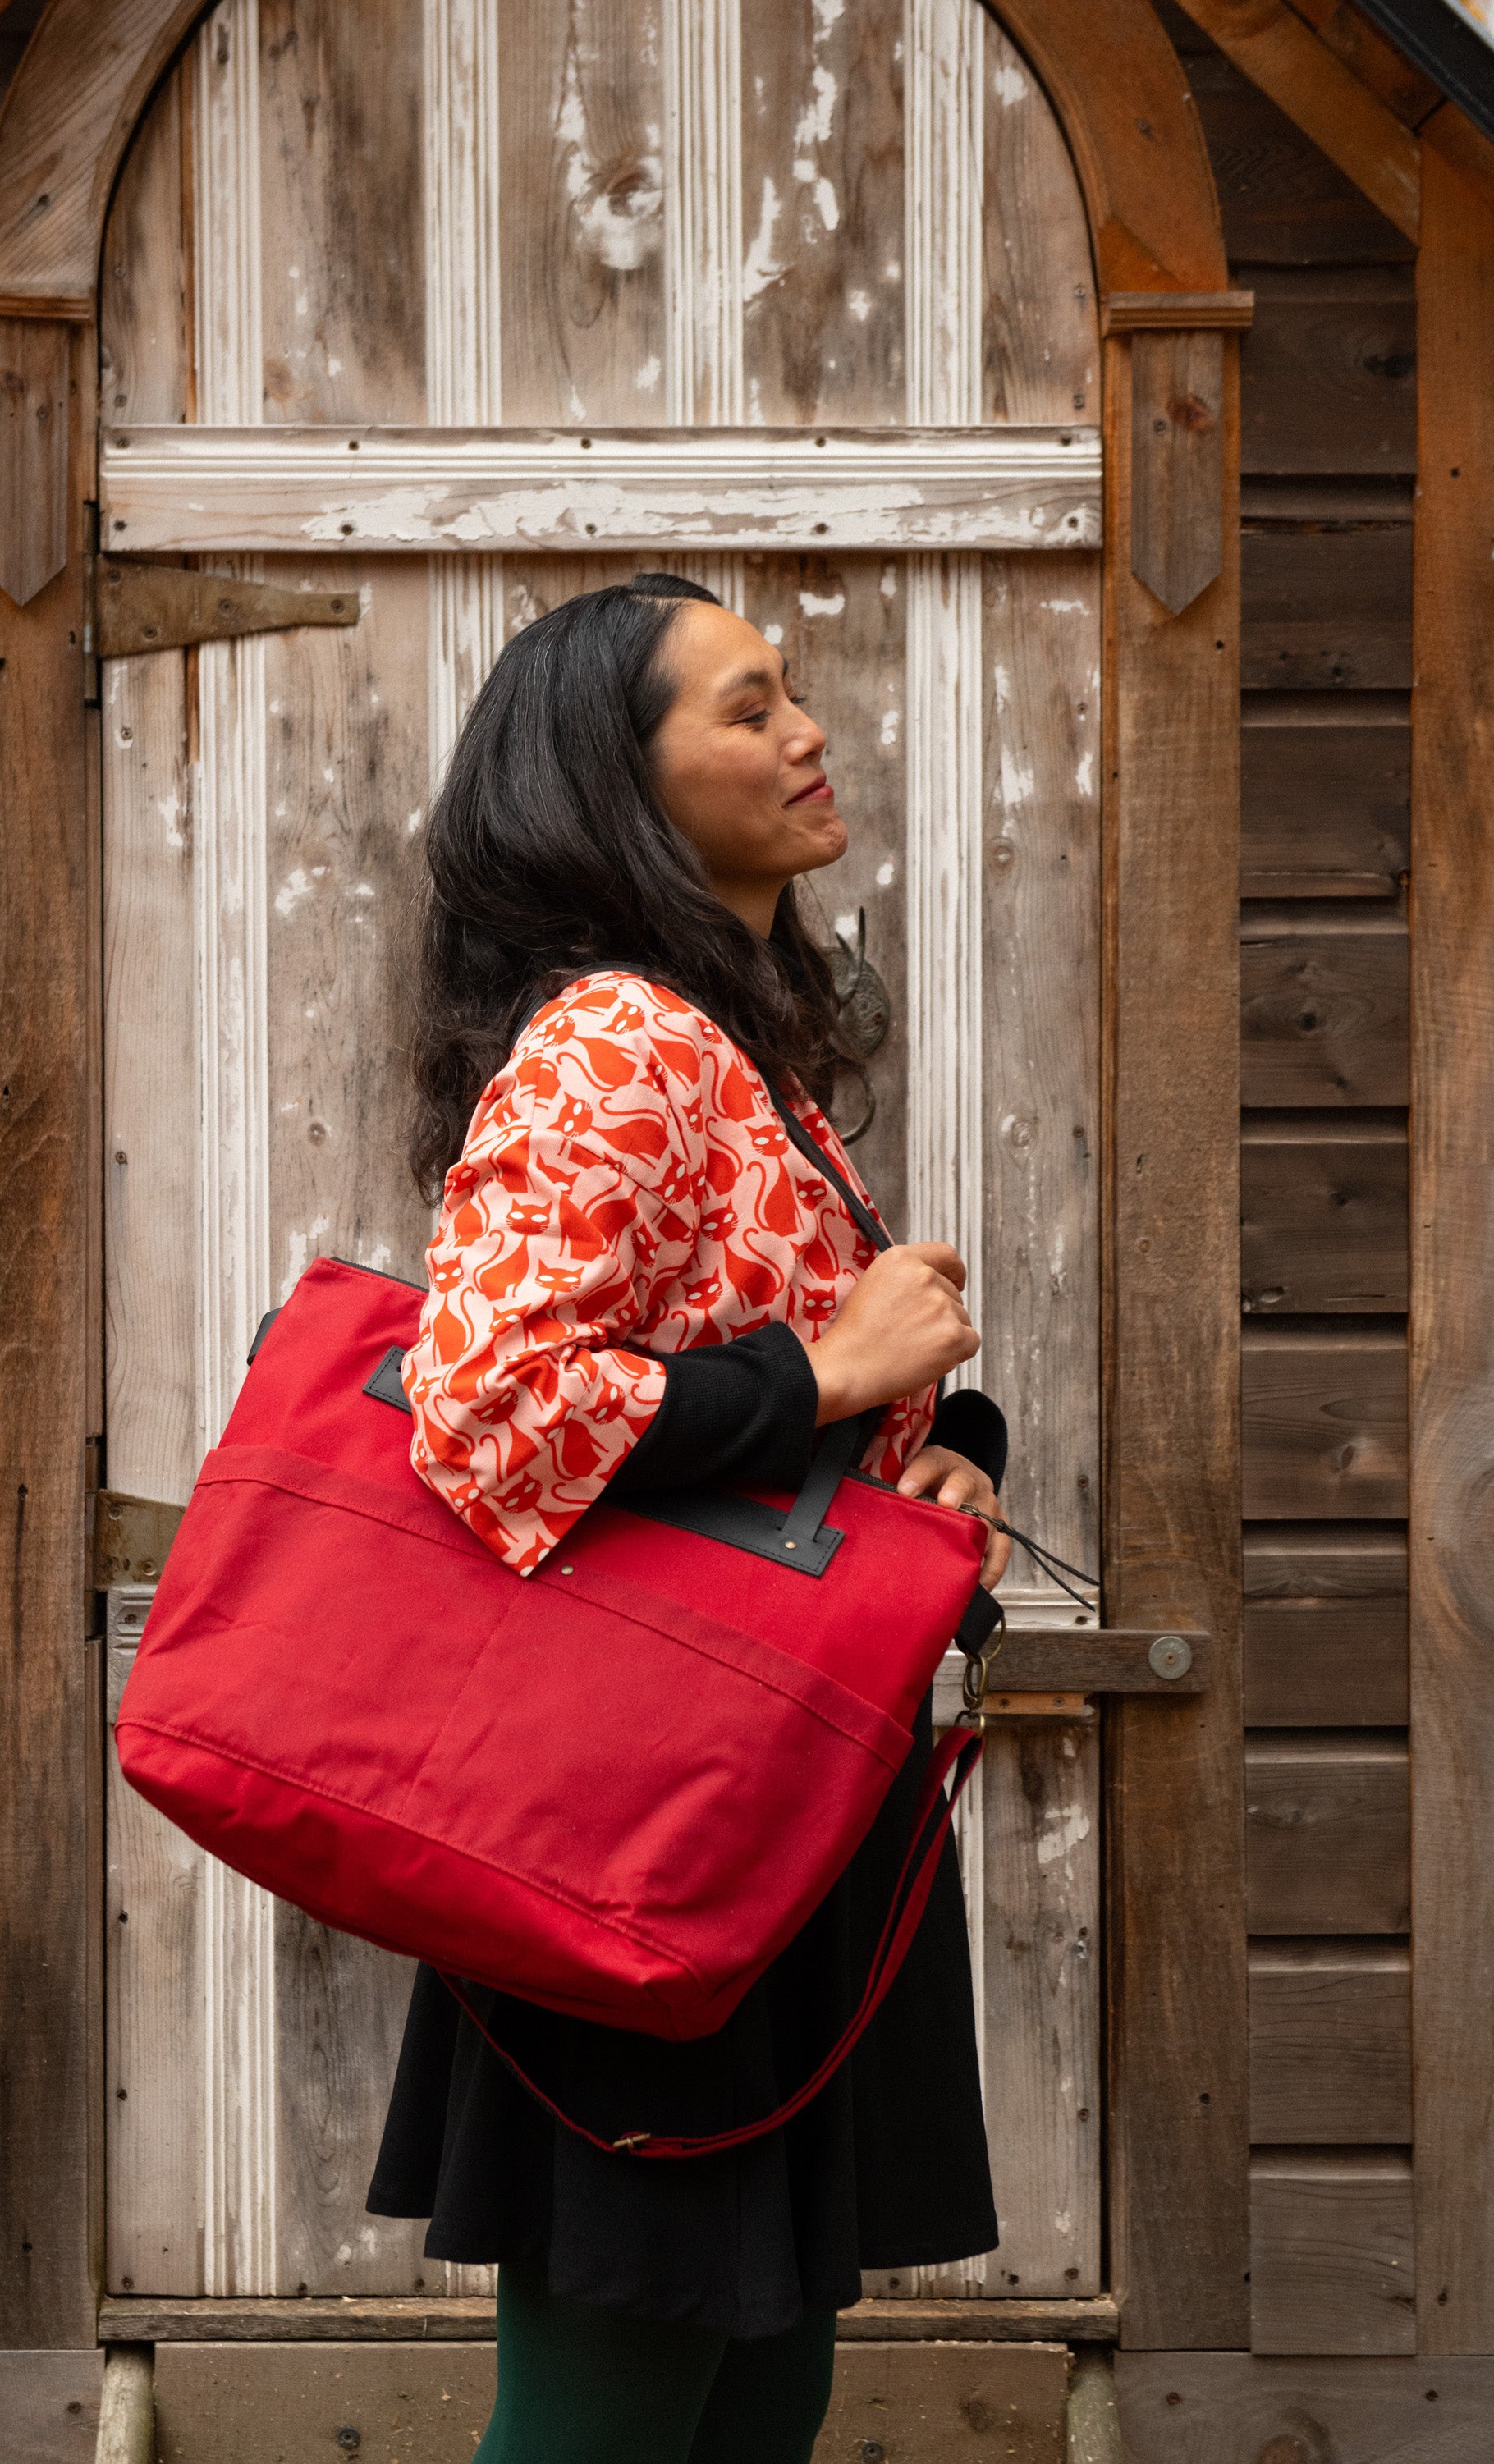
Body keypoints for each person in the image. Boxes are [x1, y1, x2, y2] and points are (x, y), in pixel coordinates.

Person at [367, 574, 1006, 2463]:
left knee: (755, 2382)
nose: (804, 731)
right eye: (745, 707)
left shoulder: (738, 1052)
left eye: (790, 695)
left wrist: (932, 1431)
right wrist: (824, 1370)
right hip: (651, 1828)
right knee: (622, 2399)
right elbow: (488, 1409)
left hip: (771, 1821)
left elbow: (726, 1413)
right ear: (613, 784)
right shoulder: (619, 1044)